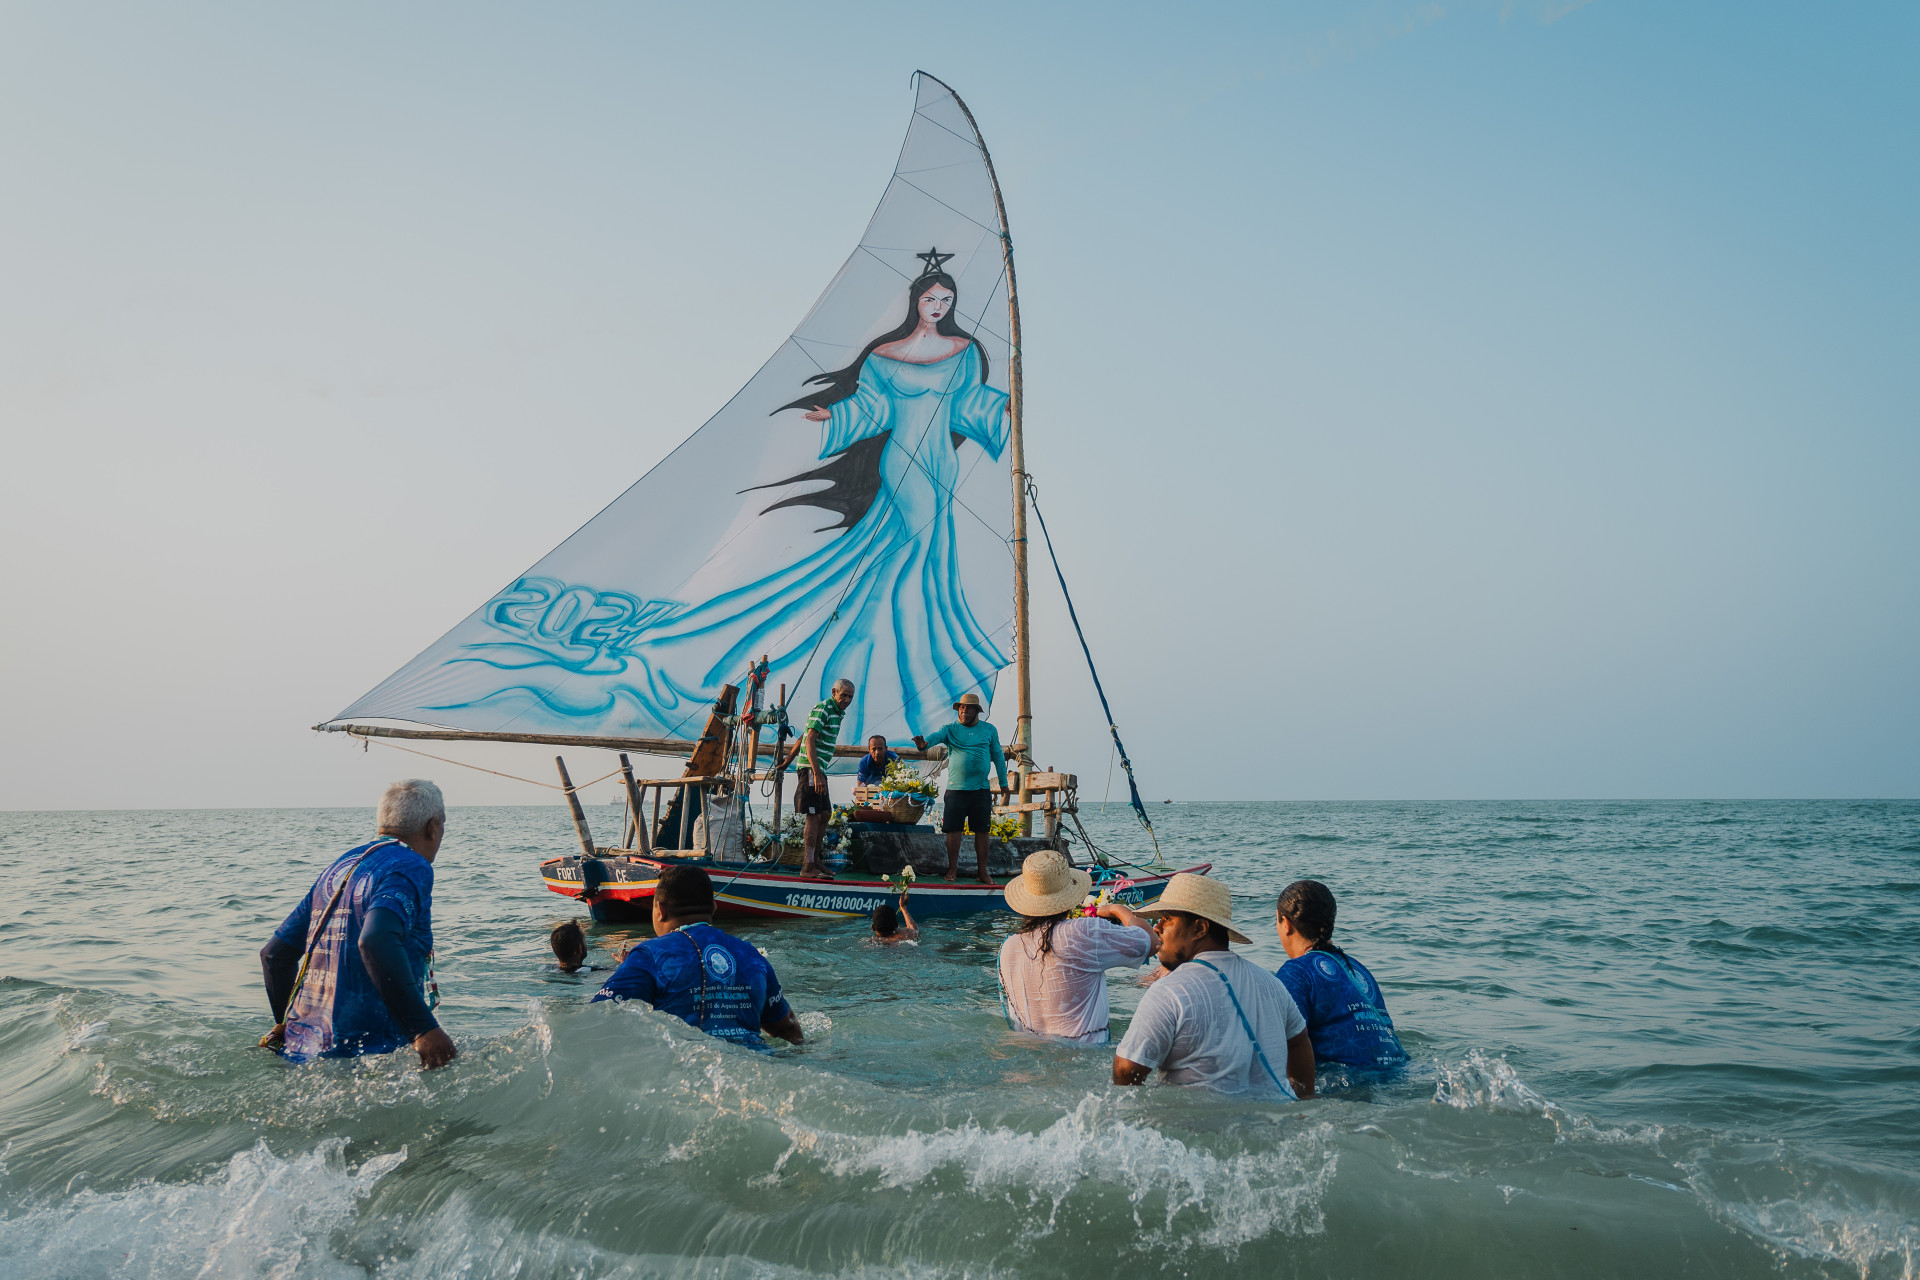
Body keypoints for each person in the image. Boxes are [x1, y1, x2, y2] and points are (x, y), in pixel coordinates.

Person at [259, 779, 457, 1069]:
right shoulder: (411, 865)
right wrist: (422, 1029)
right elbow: (376, 940)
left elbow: (274, 955)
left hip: (302, 1053)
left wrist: (286, 1024)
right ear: (433, 827)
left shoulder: (341, 867)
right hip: (367, 1058)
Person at [1113, 873, 1314, 1098]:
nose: (1157, 927)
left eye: (1167, 918)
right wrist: (1304, 1097)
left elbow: (1126, 1070)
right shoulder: (1272, 984)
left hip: (1201, 1127)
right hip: (1276, 1120)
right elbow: (1299, 1041)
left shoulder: (1169, 991)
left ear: (1200, 928)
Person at [592, 865, 804, 1048]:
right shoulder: (751, 955)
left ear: (660, 910)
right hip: (756, 1068)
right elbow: (789, 1029)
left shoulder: (649, 955)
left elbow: (595, 1021)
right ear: (713, 907)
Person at [999, 850, 1158, 1045]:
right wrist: (1119, 910)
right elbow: (1151, 942)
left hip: (1028, 1058)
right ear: (1069, 894)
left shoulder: (1008, 946)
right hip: (1085, 1057)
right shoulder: (1081, 932)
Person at [1275, 880, 1407, 1077]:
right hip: (1397, 1070)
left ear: (1286, 924)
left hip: (1346, 1084)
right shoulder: (1358, 968)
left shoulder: (1295, 972)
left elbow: (1282, 1045)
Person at [912, 692, 1008, 883]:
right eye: (961, 707)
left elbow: (997, 755)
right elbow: (936, 736)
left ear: (976, 711)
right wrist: (924, 745)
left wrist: (1004, 783)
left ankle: (982, 871)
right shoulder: (950, 729)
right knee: (953, 830)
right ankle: (952, 869)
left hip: (980, 789)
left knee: (982, 831)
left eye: (968, 708)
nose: (963, 711)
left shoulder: (989, 730)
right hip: (956, 789)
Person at [784, 678, 854, 876]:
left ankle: (815, 861)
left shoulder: (837, 713)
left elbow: (804, 736)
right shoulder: (823, 708)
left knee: (825, 814)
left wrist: (788, 760)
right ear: (834, 692)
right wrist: (815, 772)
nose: (847, 700)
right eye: (844, 695)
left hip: (818, 769)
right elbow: (810, 740)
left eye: (850, 697)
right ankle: (807, 866)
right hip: (811, 768)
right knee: (814, 815)